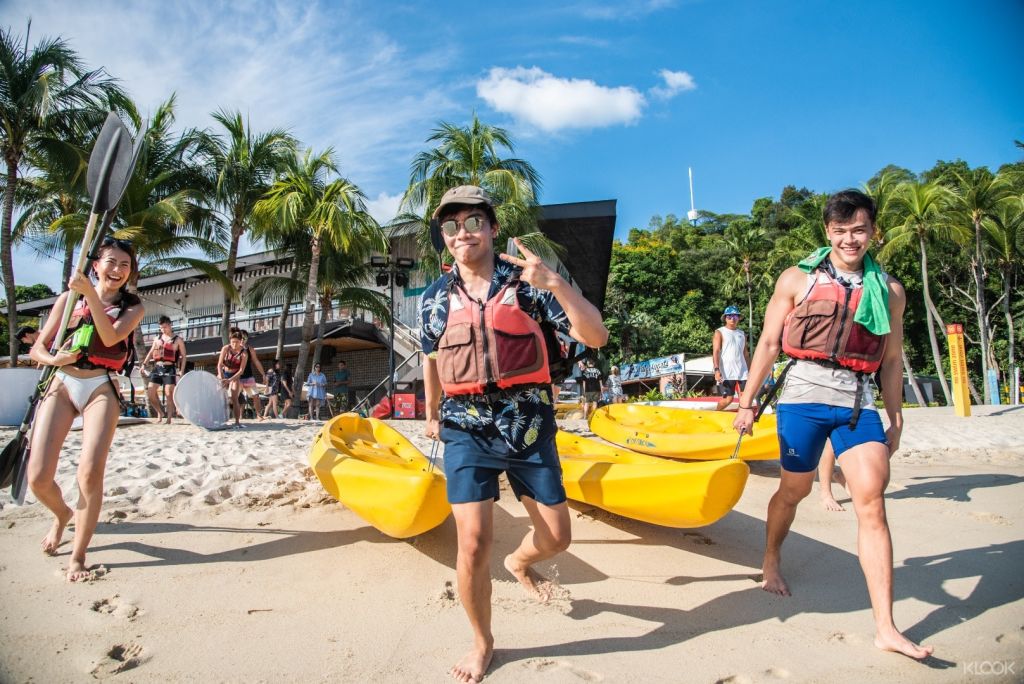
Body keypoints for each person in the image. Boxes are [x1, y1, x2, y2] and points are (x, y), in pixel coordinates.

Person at [732, 189, 933, 659]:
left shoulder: (890, 292)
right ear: (828, 232)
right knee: (793, 491)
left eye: (859, 230)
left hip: (858, 402)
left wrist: (896, 416)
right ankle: (771, 557)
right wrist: (746, 403)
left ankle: (885, 626)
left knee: (872, 500)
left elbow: (892, 360)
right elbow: (766, 344)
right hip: (802, 397)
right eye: (841, 231)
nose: (850, 239)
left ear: (872, 232)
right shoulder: (796, 280)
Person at [420, 185, 607, 682]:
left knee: (558, 538)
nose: (463, 233)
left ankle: (520, 562)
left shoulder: (528, 285)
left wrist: (558, 285)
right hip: (465, 428)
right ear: (445, 237)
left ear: (493, 227)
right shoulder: (434, 298)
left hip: (529, 426)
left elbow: (596, 335)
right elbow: (433, 355)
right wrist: (433, 408)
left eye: (473, 222)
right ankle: (483, 642)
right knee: (472, 544)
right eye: (451, 226)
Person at [26, 237, 144, 581]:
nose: (118, 270)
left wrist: (90, 295)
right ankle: (62, 514)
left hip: (100, 387)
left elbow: (109, 339)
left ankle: (78, 555)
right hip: (62, 383)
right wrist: (54, 358)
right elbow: (38, 350)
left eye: (125, 265)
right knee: (38, 478)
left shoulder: (133, 307)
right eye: (111, 262)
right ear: (96, 265)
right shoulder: (68, 299)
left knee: (90, 473)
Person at [140, 315, 186, 424]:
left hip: (170, 367)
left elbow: (184, 356)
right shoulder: (157, 339)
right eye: (161, 328)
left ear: (170, 325)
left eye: (165, 327)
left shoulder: (178, 340)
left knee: (169, 393)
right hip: (158, 366)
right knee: (150, 392)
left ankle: (169, 418)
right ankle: (160, 412)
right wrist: (144, 364)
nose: (163, 329)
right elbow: (151, 352)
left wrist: (181, 370)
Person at [713, 305, 750, 410]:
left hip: (742, 372)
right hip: (726, 371)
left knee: (745, 399)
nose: (732, 318)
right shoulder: (719, 332)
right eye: (729, 316)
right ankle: (716, 415)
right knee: (728, 400)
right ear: (725, 318)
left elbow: (746, 354)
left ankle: (741, 421)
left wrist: (750, 370)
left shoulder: (742, 334)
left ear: (738, 318)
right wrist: (716, 370)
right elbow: (715, 351)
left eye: (735, 316)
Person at [217, 331, 248, 427]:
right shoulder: (226, 348)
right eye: (232, 342)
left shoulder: (244, 353)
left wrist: (230, 380)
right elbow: (219, 364)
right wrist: (221, 377)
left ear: (241, 341)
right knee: (218, 395)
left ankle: (237, 421)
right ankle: (217, 418)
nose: (234, 344)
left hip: (235, 375)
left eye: (237, 342)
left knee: (235, 398)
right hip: (224, 373)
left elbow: (241, 371)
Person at [236, 329, 265, 420]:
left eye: (245, 338)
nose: (243, 339)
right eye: (241, 337)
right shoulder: (234, 349)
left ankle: (258, 415)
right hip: (237, 377)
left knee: (256, 396)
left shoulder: (250, 349)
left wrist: (263, 374)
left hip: (248, 376)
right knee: (234, 397)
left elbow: (256, 361)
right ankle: (238, 416)